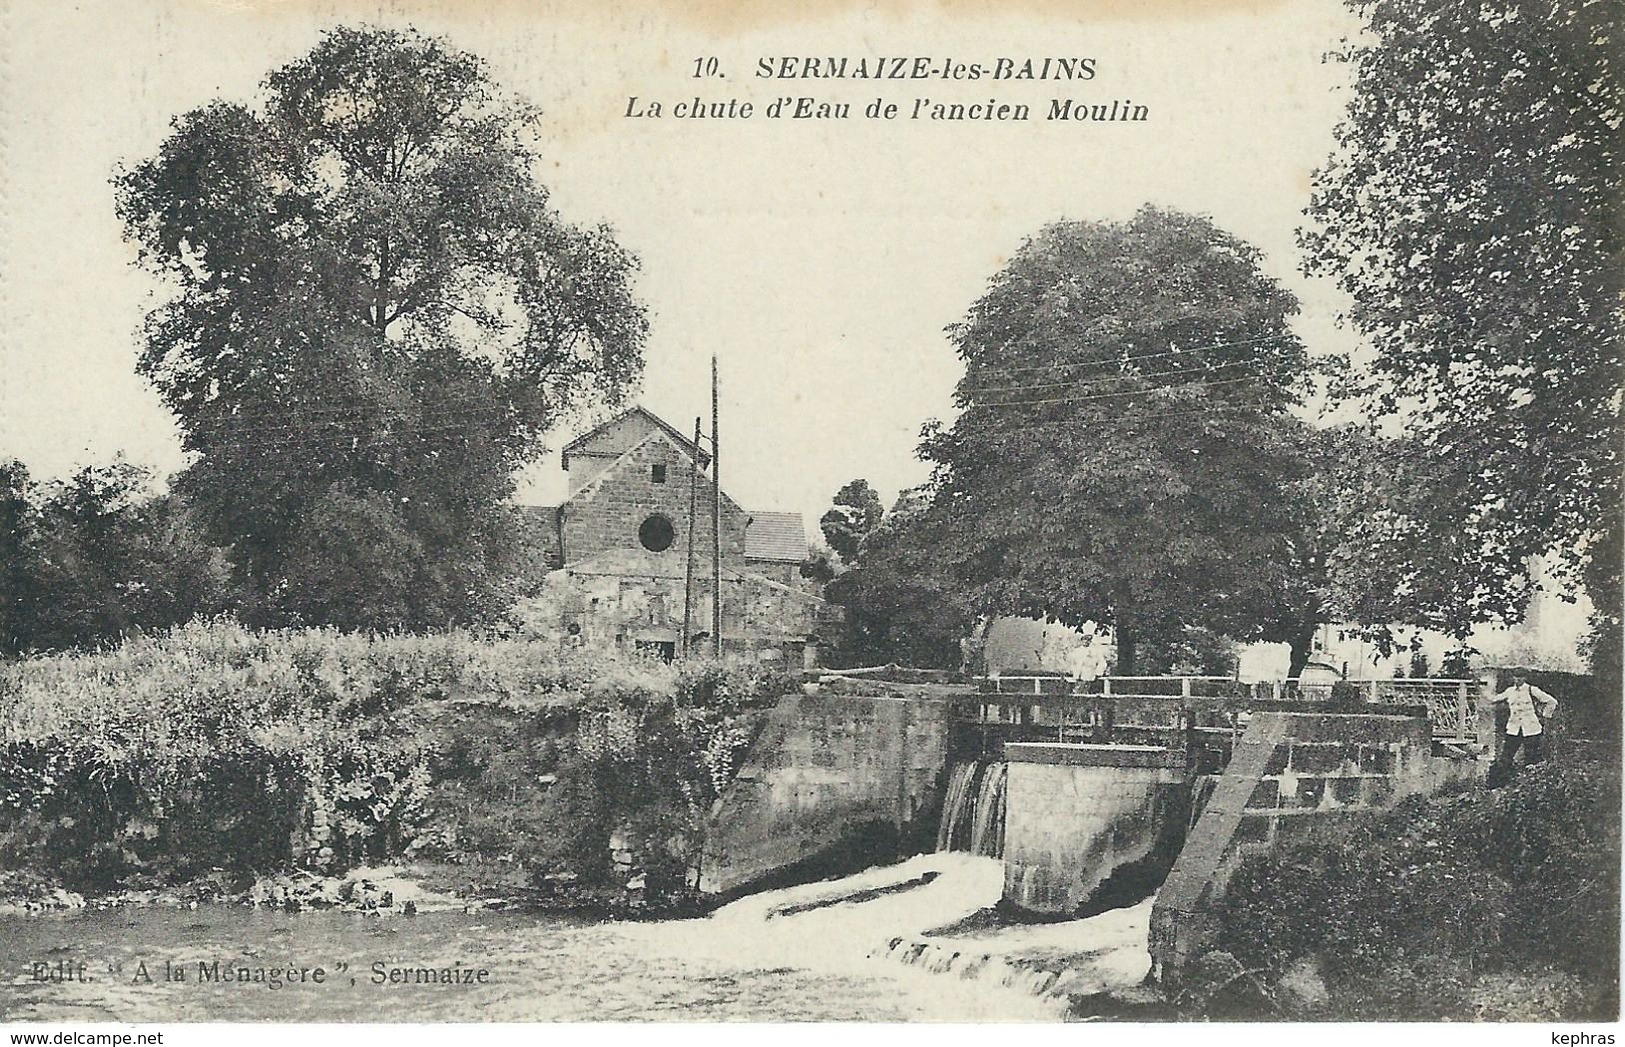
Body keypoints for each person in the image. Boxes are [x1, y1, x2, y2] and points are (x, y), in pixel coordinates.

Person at [1490, 671, 1559, 786]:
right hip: (1514, 728)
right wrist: (1480, 689)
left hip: (1531, 729)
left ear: (1525, 678)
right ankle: (1501, 785)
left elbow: (1552, 701)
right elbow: (1494, 699)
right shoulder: (1510, 691)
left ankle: (1532, 785)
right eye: (1516, 677)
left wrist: (1545, 716)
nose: (1517, 680)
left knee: (1531, 757)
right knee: (1506, 756)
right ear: (1513, 678)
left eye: (1520, 677)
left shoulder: (1532, 690)